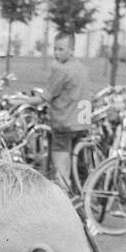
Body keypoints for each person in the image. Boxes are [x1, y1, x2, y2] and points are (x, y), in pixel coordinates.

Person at [46, 32, 92, 189]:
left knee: (61, 174)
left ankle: (65, 207)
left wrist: (21, 100)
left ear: (71, 50)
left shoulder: (62, 70)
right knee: (79, 171)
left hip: (64, 125)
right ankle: (85, 204)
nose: (56, 53)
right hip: (81, 124)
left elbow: (47, 96)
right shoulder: (82, 69)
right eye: (55, 49)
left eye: (60, 49)